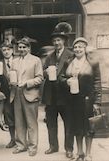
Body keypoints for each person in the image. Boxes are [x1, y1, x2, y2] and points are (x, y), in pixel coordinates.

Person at [62, 37, 101, 161]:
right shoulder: (68, 62)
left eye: (80, 47)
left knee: (89, 127)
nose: (77, 49)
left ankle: (88, 153)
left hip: (87, 100)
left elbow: (97, 82)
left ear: (85, 49)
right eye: (75, 47)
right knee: (76, 126)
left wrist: (97, 102)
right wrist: (66, 81)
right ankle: (80, 153)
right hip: (72, 101)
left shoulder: (93, 63)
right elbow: (61, 77)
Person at [42, 22, 74, 158]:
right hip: (51, 96)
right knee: (51, 123)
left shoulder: (71, 55)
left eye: (59, 40)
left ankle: (69, 148)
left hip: (65, 95)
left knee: (69, 123)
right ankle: (53, 146)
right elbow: (43, 72)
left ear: (64, 41)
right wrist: (46, 72)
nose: (56, 43)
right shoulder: (49, 57)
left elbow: (74, 74)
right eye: (54, 40)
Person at [10, 37, 43, 156]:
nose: (21, 49)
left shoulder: (36, 60)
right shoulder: (14, 61)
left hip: (30, 93)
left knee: (31, 122)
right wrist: (12, 81)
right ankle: (21, 145)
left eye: (24, 47)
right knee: (19, 121)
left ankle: (33, 147)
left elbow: (40, 78)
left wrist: (27, 83)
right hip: (17, 93)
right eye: (20, 47)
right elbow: (12, 75)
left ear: (29, 48)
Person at [0, 42, 16, 148]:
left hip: (17, 93)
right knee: (9, 116)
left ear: (12, 50)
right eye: (4, 50)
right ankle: (13, 139)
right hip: (6, 94)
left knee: (20, 116)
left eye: (8, 49)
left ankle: (22, 139)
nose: (6, 52)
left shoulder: (18, 61)